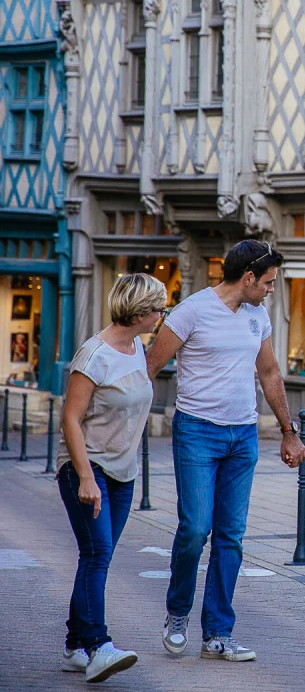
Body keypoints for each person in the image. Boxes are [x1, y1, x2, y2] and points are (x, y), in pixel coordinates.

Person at [146, 240, 305, 663]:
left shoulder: (258, 315)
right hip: (197, 432)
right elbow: (149, 367)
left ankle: (217, 633)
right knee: (196, 530)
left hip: (243, 436)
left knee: (231, 537)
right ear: (248, 277)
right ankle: (177, 613)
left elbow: (269, 372)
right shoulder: (191, 311)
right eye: (269, 282)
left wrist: (289, 432)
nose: (272, 289)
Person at [57, 273, 167, 682]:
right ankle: (98, 646)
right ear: (140, 312)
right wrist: (85, 477)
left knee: (96, 557)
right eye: (158, 308)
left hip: (124, 473)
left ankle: (73, 646)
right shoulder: (93, 355)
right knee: (97, 554)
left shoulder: (138, 345)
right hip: (88, 469)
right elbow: (70, 417)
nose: (162, 315)